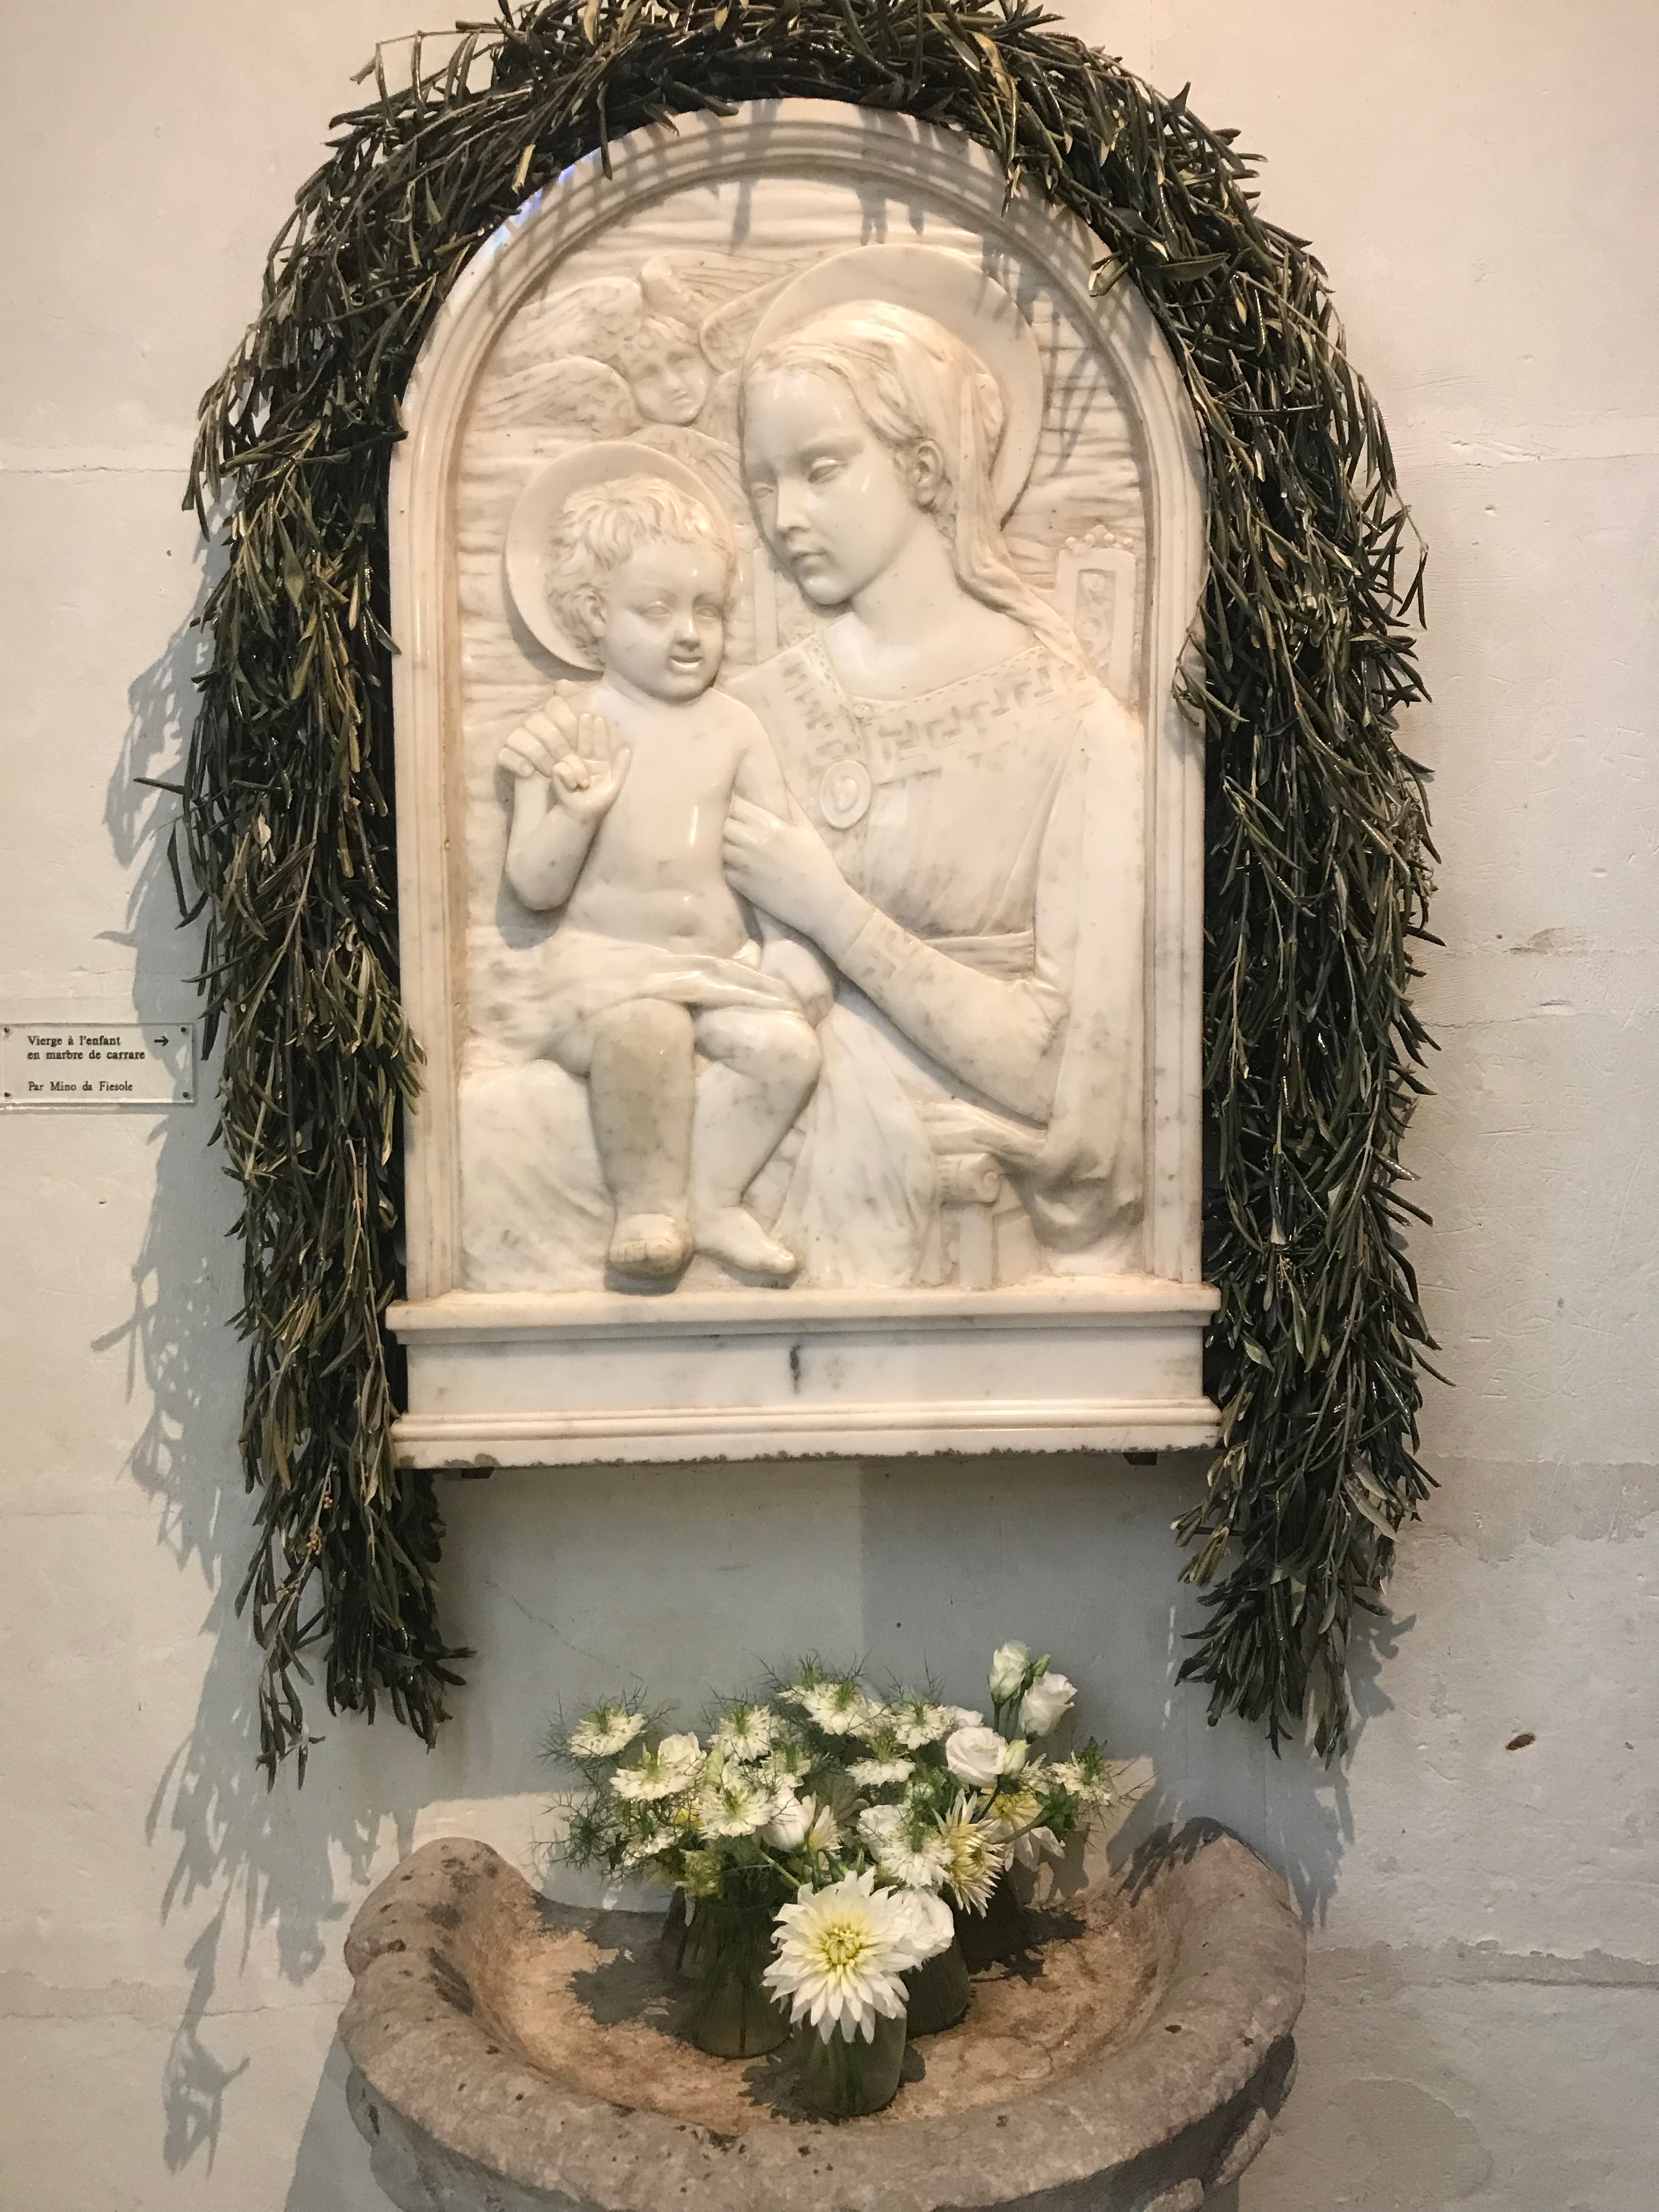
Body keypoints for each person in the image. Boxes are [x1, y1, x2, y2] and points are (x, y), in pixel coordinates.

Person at [718, 279, 1146, 1288]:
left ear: (923, 465)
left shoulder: (1077, 729)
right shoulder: (750, 709)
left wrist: (829, 913)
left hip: (920, 1184)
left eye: (822, 469)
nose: (785, 517)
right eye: (764, 484)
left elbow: (1060, 1076)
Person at [497, 473, 825, 1285]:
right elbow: (534, 888)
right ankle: (648, 1211)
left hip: (718, 971)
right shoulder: (565, 732)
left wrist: (790, 947)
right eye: (656, 611)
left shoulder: (737, 730)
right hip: (607, 973)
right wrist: (576, 814)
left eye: (707, 611)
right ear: (592, 616)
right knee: (648, 1032)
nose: (689, 635)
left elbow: (777, 849)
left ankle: (713, 1198)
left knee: (787, 1053)